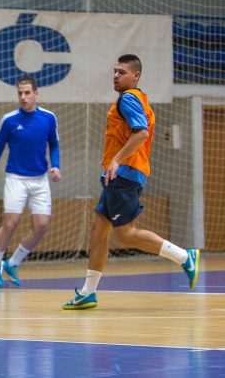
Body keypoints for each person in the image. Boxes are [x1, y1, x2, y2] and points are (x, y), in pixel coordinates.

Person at [63, 54, 200, 310]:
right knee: (99, 230)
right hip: (122, 174)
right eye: (115, 71)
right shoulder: (140, 99)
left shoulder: (128, 99)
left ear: (135, 76)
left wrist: (116, 160)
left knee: (125, 234)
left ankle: (184, 256)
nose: (116, 76)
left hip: (125, 174)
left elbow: (141, 133)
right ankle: (88, 292)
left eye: (122, 72)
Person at [0, 77, 61, 287]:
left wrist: (56, 165)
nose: (23, 97)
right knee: (11, 223)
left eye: (27, 93)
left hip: (40, 179)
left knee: (42, 225)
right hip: (16, 178)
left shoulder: (48, 118)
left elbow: (54, 144)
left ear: (36, 93)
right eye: (20, 93)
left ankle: (13, 263)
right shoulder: (9, 120)